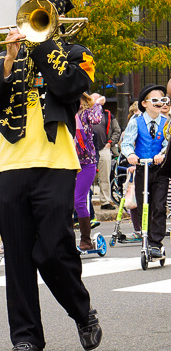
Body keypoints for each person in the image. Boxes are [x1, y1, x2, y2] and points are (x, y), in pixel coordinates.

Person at [0, 0, 102, 351]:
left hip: (57, 162)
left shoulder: (76, 55)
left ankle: (82, 312)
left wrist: (44, 44)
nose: (36, 20)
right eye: (34, 13)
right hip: (11, 163)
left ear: (58, 20)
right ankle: (27, 337)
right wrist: (11, 57)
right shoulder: (3, 57)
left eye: (46, 14)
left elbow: (71, 87)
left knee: (52, 249)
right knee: (17, 257)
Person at [120, 84, 169, 258]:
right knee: (143, 205)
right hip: (142, 168)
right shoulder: (136, 122)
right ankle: (145, 237)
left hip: (160, 170)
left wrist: (163, 154)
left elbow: (167, 143)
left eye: (162, 100)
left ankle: (156, 242)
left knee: (159, 205)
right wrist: (131, 155)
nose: (160, 103)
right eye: (155, 100)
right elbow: (126, 143)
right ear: (145, 103)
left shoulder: (166, 123)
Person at [73, 94, 102, 250]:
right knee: (63, 202)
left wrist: (95, 103)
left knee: (79, 200)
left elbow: (97, 118)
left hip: (86, 162)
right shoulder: (60, 113)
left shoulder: (86, 113)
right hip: (65, 161)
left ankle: (86, 240)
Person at [90, 93, 120, 210]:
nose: (96, 101)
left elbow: (117, 130)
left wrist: (110, 143)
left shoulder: (107, 114)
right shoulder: (85, 114)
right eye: (93, 98)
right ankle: (86, 202)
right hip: (88, 150)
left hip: (103, 148)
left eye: (98, 98)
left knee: (105, 176)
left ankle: (105, 201)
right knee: (87, 177)